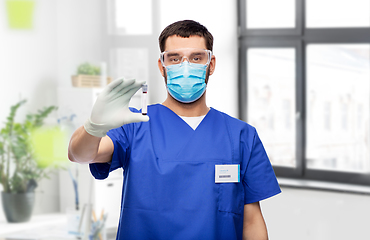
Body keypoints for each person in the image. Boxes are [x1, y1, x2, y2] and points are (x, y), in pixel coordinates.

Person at [68, 20, 281, 240]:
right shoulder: (134, 125)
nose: (185, 66)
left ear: (211, 63)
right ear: (162, 66)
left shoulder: (241, 136)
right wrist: (95, 126)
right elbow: (80, 154)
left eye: (196, 58)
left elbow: (252, 221)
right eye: (175, 58)